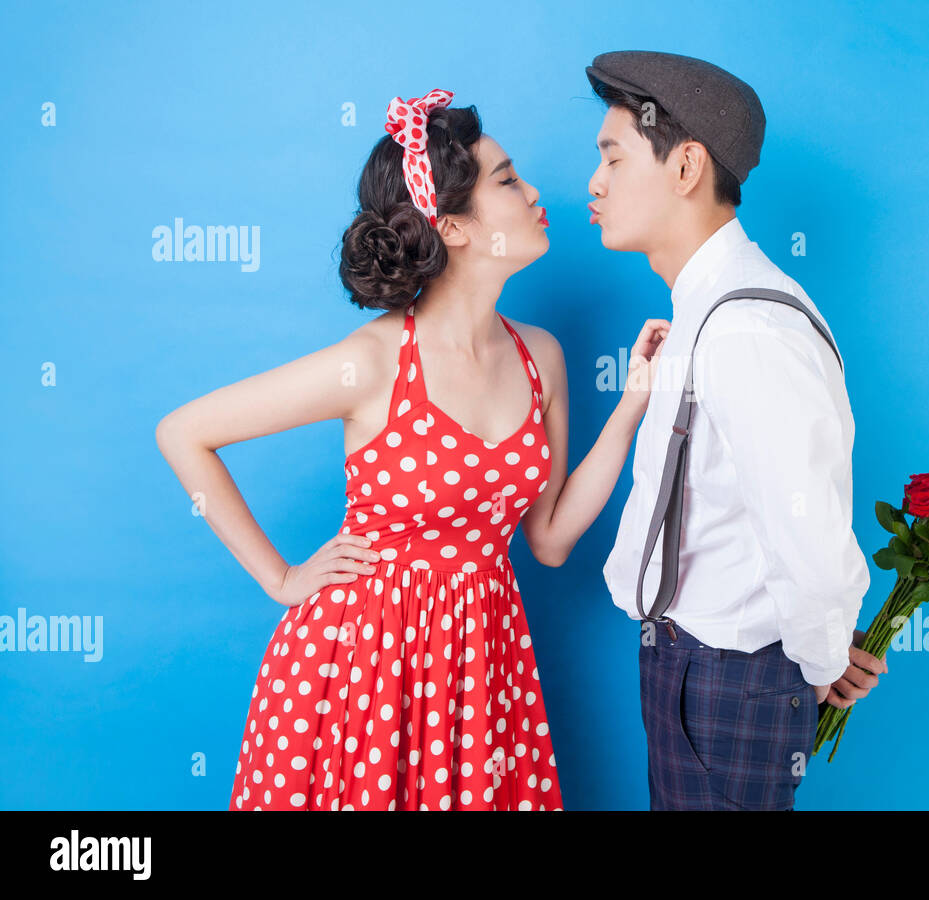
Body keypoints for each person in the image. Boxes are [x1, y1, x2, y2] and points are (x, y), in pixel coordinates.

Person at [155, 89, 669, 810]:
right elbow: (183, 433)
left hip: (481, 673)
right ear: (453, 227)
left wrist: (633, 408)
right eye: (508, 181)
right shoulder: (371, 363)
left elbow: (548, 541)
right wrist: (280, 579)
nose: (534, 192)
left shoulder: (541, 357)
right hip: (357, 668)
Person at [587, 51, 886, 810]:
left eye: (613, 158)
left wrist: (820, 659)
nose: (595, 183)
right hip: (691, 666)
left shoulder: (747, 327)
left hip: (730, 676)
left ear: (686, 167)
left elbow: (809, 533)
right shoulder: (708, 311)